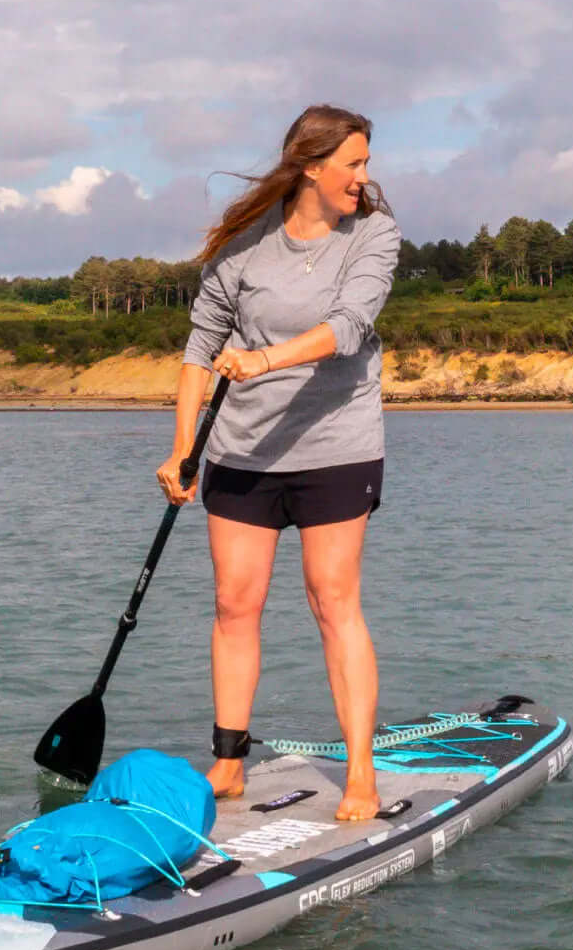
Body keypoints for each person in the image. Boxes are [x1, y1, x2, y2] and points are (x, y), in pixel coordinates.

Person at [155, 104, 401, 821]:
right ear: (312, 167)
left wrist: (264, 359)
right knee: (236, 603)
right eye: (353, 163)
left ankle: (360, 773)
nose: (364, 176)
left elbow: (351, 327)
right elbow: (200, 351)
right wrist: (179, 449)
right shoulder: (243, 247)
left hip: (336, 447)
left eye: (364, 163)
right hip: (241, 450)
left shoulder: (374, 237)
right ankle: (229, 761)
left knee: (333, 600)